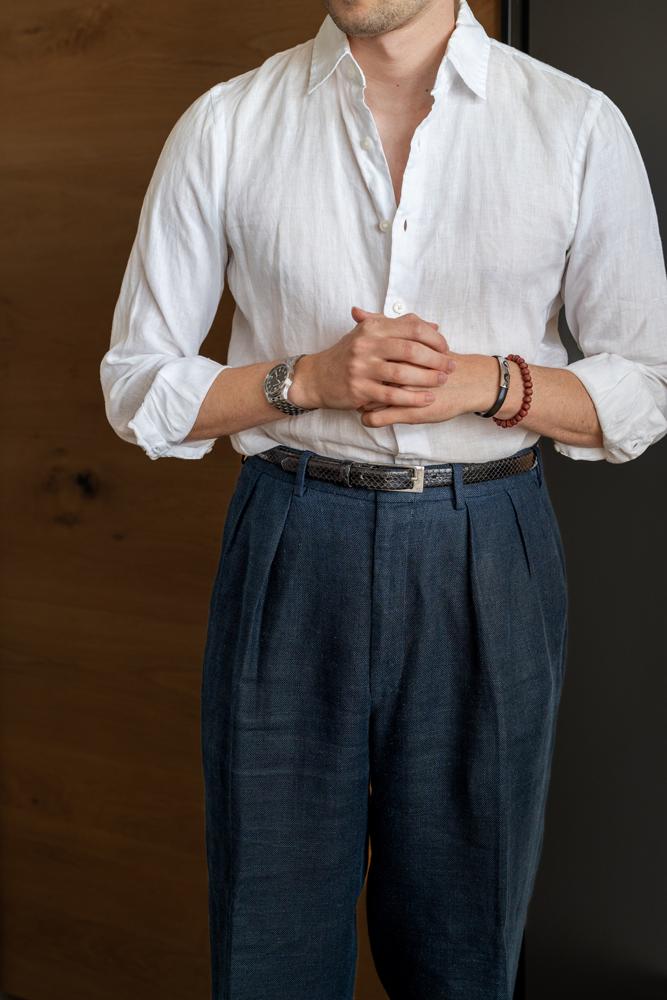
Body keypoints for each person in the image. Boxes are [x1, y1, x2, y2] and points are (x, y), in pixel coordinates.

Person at [99, 0, 667, 996]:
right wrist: (306, 380)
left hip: (487, 547)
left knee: (464, 939)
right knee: (270, 936)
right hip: (290, 537)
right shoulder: (227, 122)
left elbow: (644, 385)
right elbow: (137, 383)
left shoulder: (573, 123)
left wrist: (489, 384)